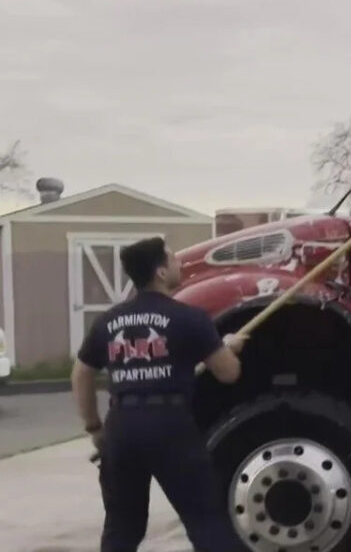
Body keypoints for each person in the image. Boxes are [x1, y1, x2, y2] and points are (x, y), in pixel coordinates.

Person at [70, 236, 247, 552]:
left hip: (121, 427)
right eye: (173, 259)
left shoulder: (108, 322)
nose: (179, 263)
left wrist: (94, 428)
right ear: (161, 272)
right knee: (205, 521)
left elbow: (81, 373)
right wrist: (227, 347)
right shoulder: (189, 318)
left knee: (122, 529)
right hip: (171, 427)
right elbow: (228, 373)